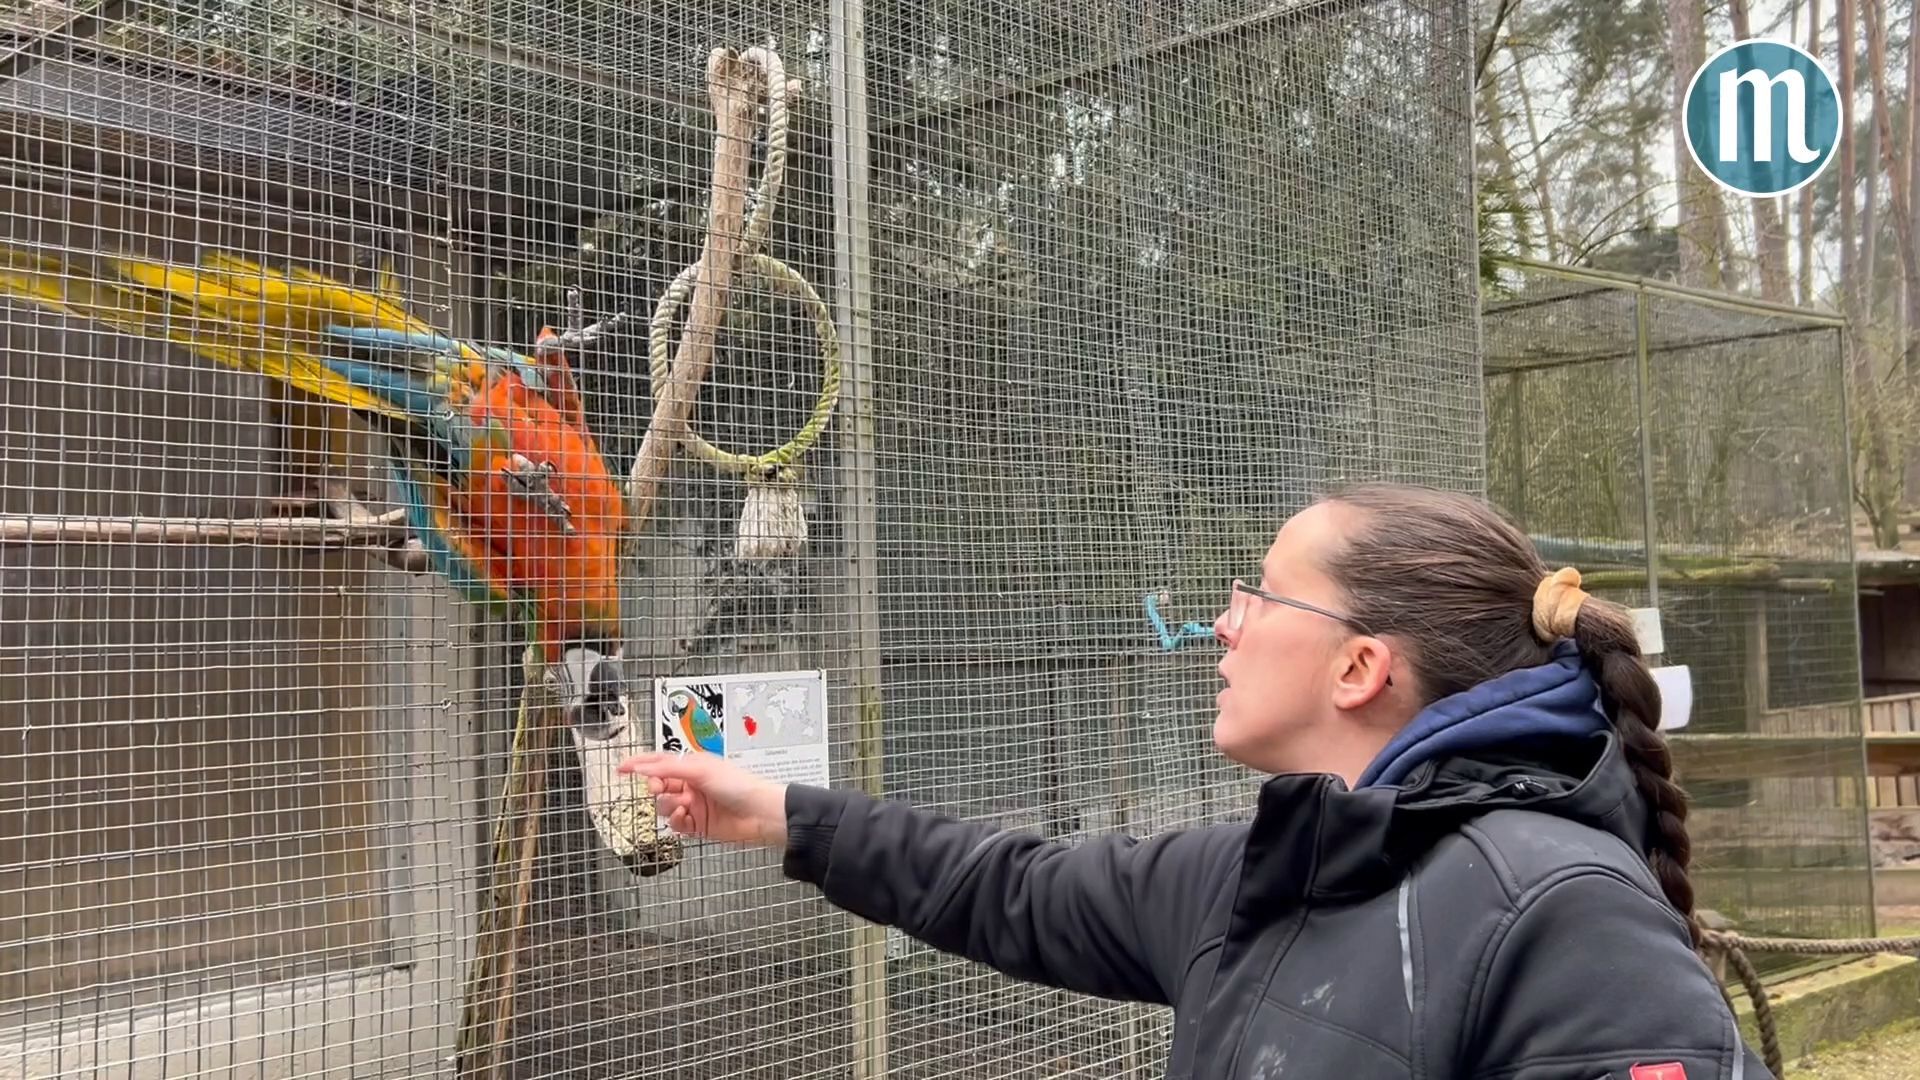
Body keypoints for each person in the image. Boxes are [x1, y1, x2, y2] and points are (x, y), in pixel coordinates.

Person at [618, 481, 1771, 1079]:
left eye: (1261, 591)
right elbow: (1004, 883)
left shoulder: (1562, 913)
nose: (1224, 623)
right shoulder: (1263, 873)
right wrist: (772, 813)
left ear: (1360, 665)